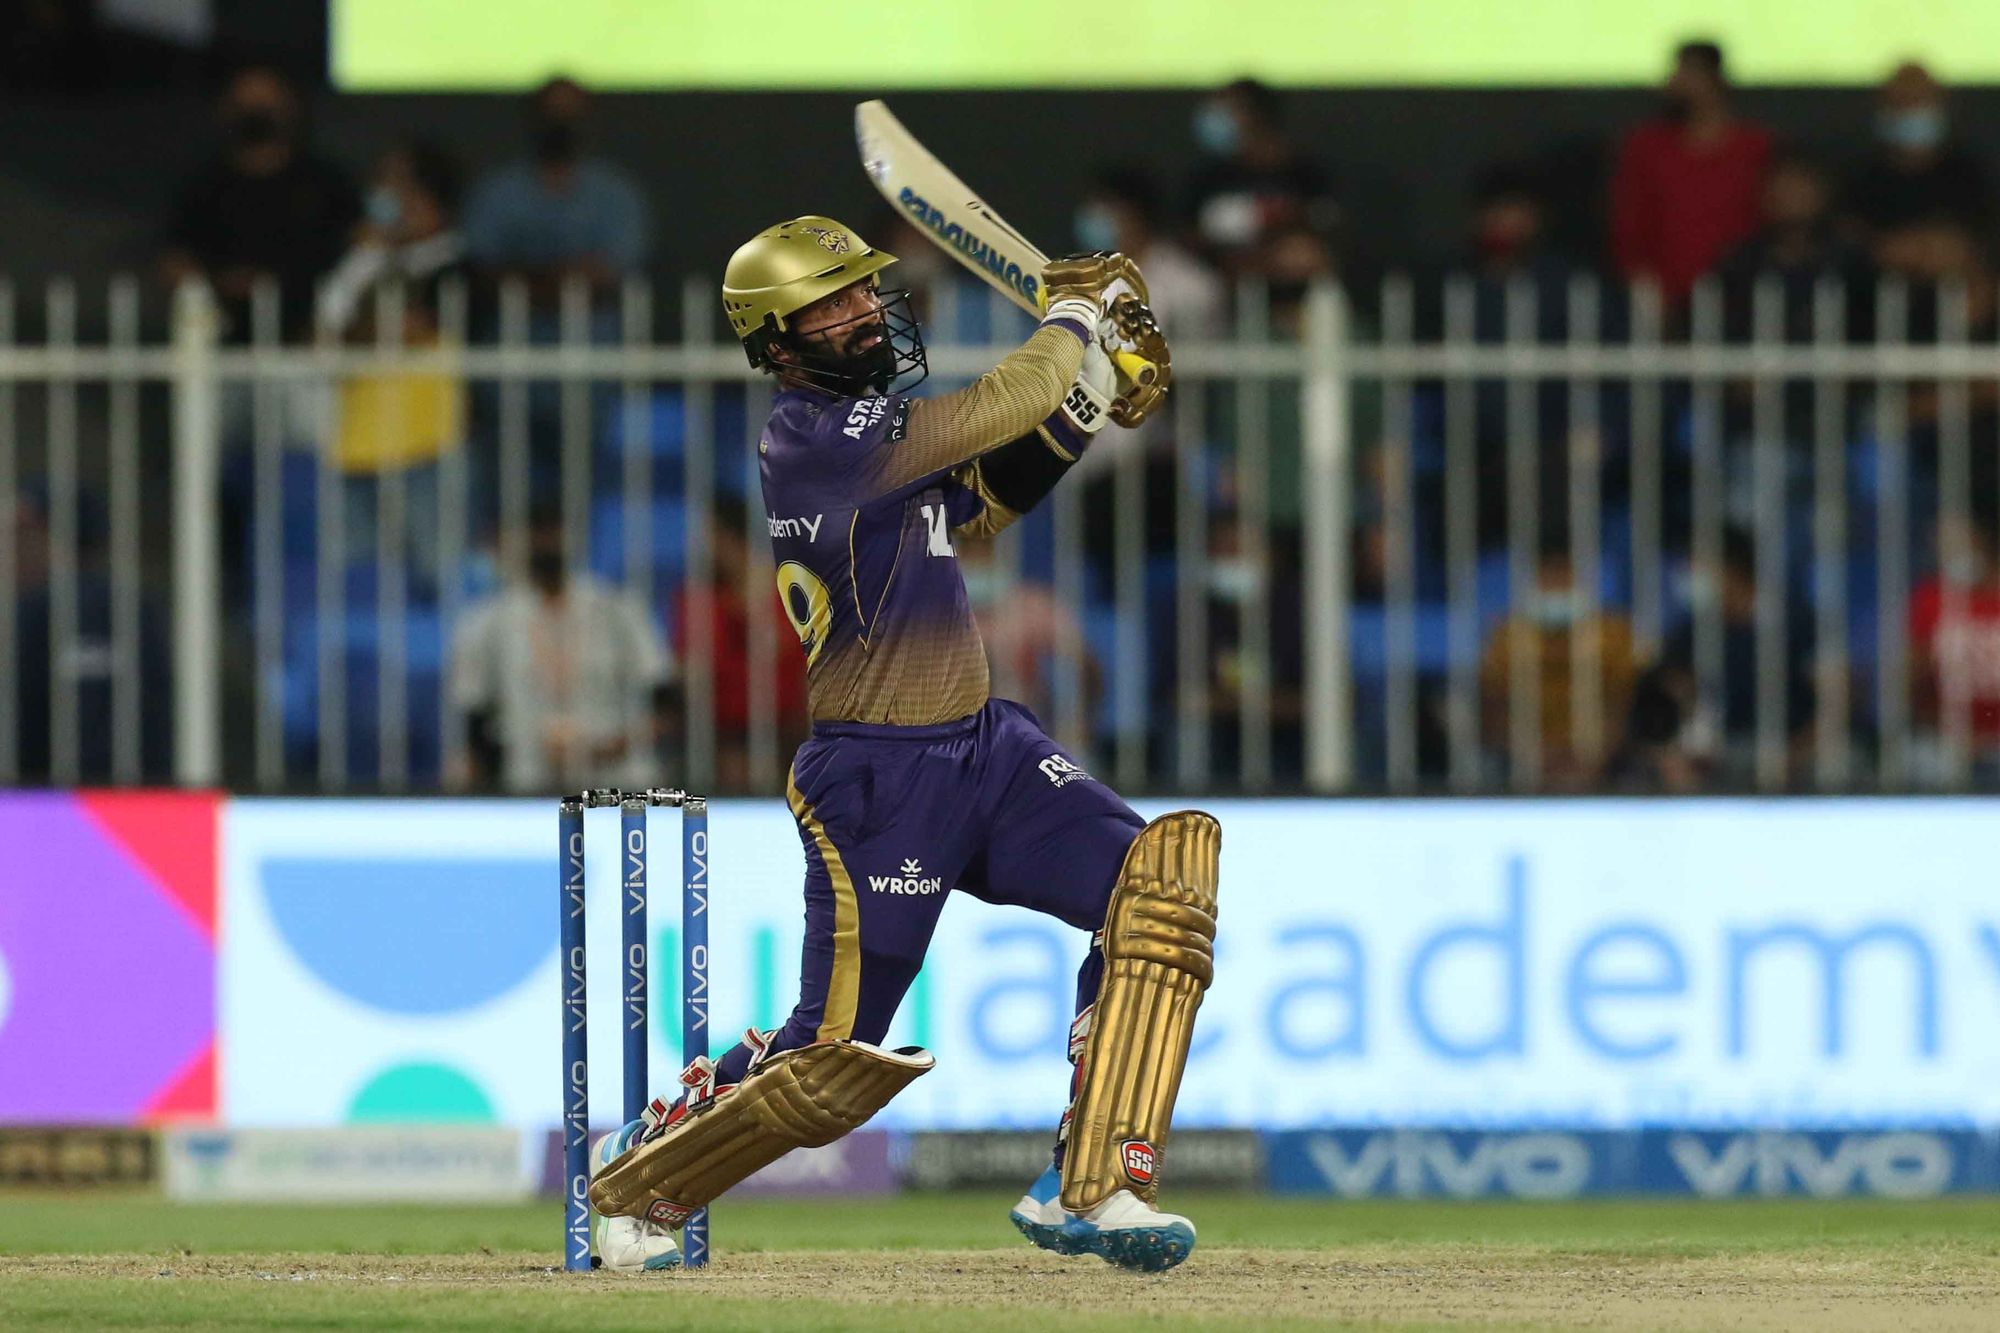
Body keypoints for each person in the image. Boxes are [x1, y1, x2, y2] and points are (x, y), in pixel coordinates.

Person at [584, 218, 1217, 1274]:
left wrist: (1091, 397)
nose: (862, 313)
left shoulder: (881, 449)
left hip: (987, 749)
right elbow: (1003, 402)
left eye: (862, 293)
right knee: (832, 1061)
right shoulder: (818, 440)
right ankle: (645, 1175)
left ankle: (1093, 1182)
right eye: (830, 304)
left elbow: (992, 498)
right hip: (879, 778)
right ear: (776, 341)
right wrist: (1077, 318)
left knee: (1159, 892)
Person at [446, 501, 673, 793]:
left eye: (554, 533)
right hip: (529, 787)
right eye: (538, 534)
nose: (548, 544)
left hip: (618, 783)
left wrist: (611, 747)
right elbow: (473, 718)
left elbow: (665, 707)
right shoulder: (487, 622)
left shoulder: (618, 610)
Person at [158, 63, 359, 340]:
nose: (256, 113)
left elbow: (359, 249)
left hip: (314, 338)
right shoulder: (203, 188)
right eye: (245, 104)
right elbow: (175, 259)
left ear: (291, 107)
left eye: (266, 104)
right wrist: (216, 287)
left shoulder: (327, 184)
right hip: (225, 340)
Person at [461, 76, 650, 311]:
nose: (560, 124)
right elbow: (483, 269)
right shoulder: (498, 190)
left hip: (598, 331)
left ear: (588, 119)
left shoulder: (615, 192)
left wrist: (535, 278)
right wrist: (557, 280)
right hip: (514, 329)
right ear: (533, 118)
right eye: (551, 114)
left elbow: (613, 270)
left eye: (570, 115)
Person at [1609, 41, 1771, 306]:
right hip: (1663, 296)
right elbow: (1630, 221)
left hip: (1741, 294)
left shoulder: (1756, 147)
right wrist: (1640, 280)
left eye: (1690, 73)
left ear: (1715, 79)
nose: (1678, 82)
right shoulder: (1645, 147)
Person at [669, 496, 810, 789]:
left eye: (708, 536)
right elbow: (689, 668)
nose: (701, 547)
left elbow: (796, 657)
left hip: (783, 730)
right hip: (718, 733)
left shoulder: (783, 587)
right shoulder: (696, 597)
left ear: (731, 538)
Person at [1185, 78, 1338, 283]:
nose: (1215, 119)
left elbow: (1323, 232)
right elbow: (1187, 239)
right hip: (1215, 287)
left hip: (1289, 289)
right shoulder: (1208, 178)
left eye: (1226, 111)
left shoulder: (1304, 175)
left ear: (1255, 116)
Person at [1842, 62, 1994, 244]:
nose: (1910, 112)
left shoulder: (1970, 177)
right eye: (1901, 103)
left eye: (1919, 102)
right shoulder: (1859, 179)